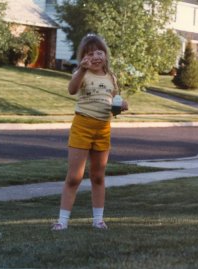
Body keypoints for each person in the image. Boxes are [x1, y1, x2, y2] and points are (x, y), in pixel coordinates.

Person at [51, 34, 128, 231]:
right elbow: (71, 90)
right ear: (83, 58)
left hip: (103, 129)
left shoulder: (112, 77)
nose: (95, 56)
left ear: (106, 55)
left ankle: (98, 220)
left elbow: (114, 104)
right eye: (90, 53)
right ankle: (62, 221)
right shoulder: (82, 74)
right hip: (82, 127)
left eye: (99, 52)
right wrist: (81, 69)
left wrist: (121, 106)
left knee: (98, 176)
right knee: (75, 176)